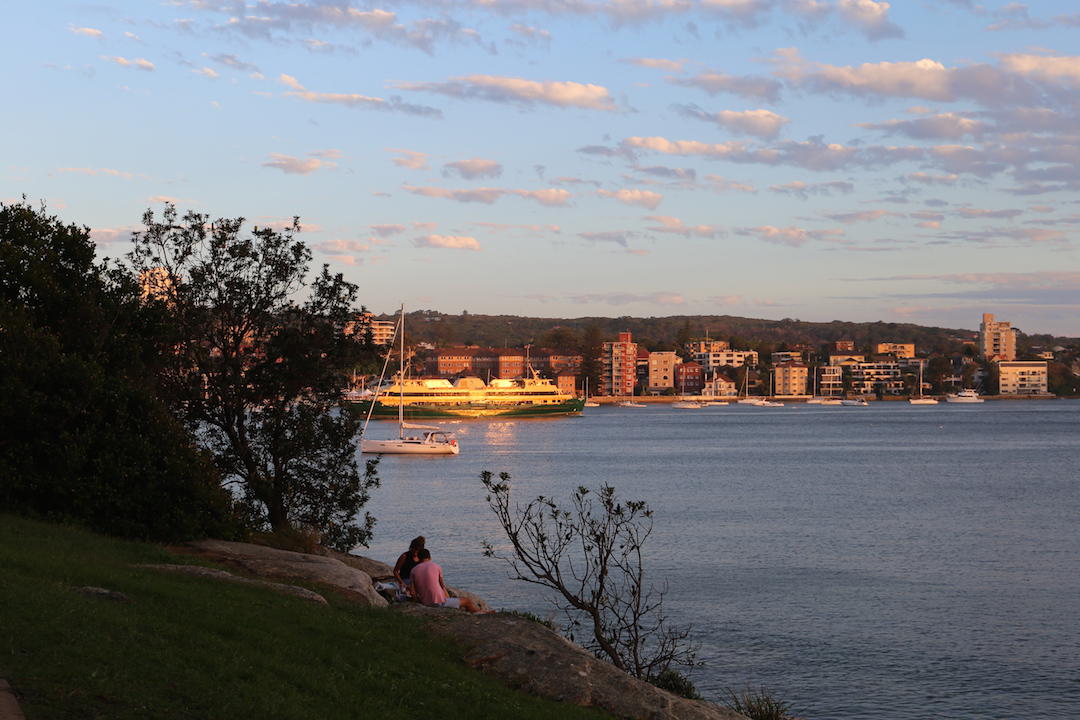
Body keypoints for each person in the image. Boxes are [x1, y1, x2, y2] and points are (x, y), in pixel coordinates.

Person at [409, 549, 485, 613]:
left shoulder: (413, 570)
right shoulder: (436, 566)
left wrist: (418, 602)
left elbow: (413, 592)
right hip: (438, 602)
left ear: (418, 558)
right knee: (467, 601)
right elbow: (442, 585)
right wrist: (447, 598)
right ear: (430, 557)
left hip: (425, 602)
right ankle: (481, 613)